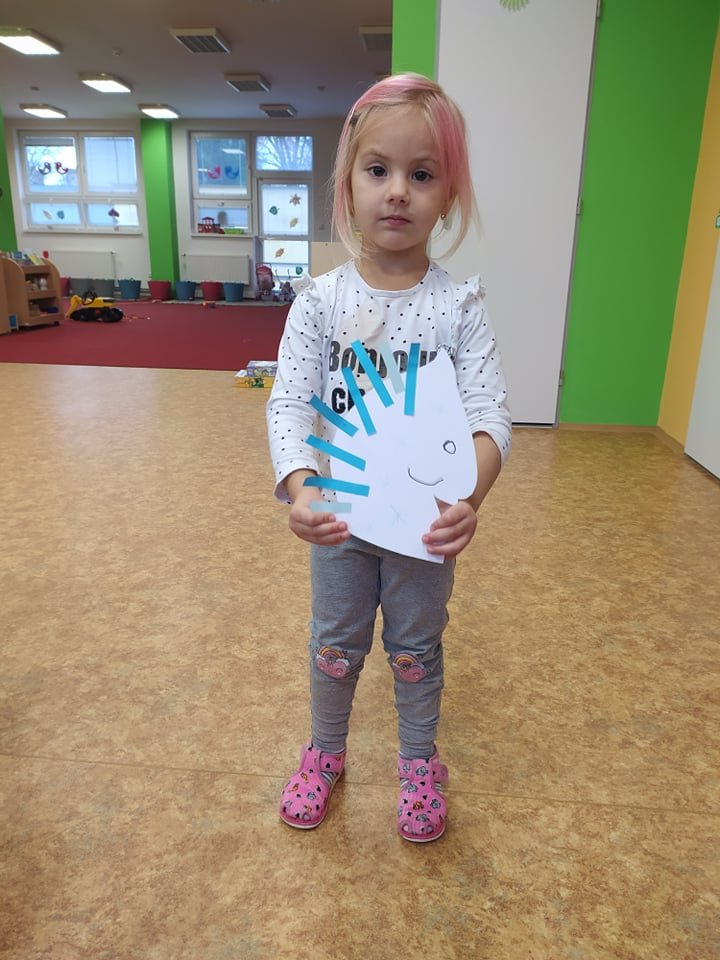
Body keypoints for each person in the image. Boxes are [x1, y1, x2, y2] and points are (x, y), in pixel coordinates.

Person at [266, 73, 512, 842]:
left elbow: (490, 416)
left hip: (423, 527)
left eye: (422, 174)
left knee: (415, 649)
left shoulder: (458, 308)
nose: (398, 191)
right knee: (334, 645)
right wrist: (301, 487)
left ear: (449, 195)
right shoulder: (320, 302)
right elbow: (289, 403)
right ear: (348, 184)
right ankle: (325, 753)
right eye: (378, 170)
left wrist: (468, 497)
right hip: (341, 518)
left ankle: (418, 763)